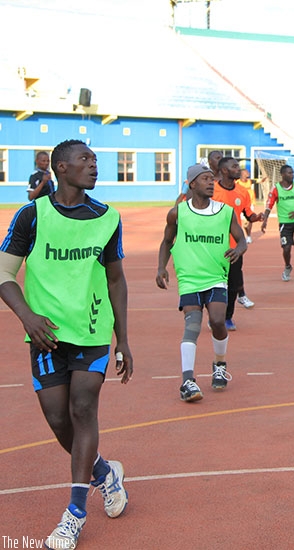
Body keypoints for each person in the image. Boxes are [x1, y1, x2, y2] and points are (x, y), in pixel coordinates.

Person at [0, 139, 133, 549]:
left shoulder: (108, 217)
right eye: (85, 160)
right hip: (46, 336)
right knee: (59, 422)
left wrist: (123, 339)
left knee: (82, 408)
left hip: (92, 330)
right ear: (60, 167)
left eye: (95, 159)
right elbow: (4, 274)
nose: (94, 166)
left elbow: (115, 279)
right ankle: (103, 472)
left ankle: (74, 513)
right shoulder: (32, 216)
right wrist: (27, 316)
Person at [157, 163, 247, 403]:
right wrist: (161, 268)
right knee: (193, 325)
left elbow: (242, 239)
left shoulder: (225, 211)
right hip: (189, 279)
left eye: (212, 179)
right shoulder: (178, 213)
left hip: (216, 276)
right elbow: (167, 241)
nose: (211, 183)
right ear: (192, 184)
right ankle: (187, 380)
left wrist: (239, 249)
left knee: (218, 321)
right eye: (205, 179)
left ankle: (219, 364)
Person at [213, 157, 262, 326]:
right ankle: (214, 317)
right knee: (214, 285)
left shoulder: (242, 191)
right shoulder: (212, 191)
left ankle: (227, 317)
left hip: (235, 247)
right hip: (212, 246)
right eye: (234, 166)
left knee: (234, 286)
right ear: (224, 171)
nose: (239, 169)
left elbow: (249, 214)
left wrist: (257, 217)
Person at [236, 168, 257, 243]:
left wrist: (264, 179)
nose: (248, 173)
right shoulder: (237, 183)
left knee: (249, 219)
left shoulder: (249, 181)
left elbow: (258, 181)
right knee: (242, 222)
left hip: (250, 202)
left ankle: (248, 236)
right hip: (240, 203)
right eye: (246, 172)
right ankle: (240, 236)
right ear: (242, 174)